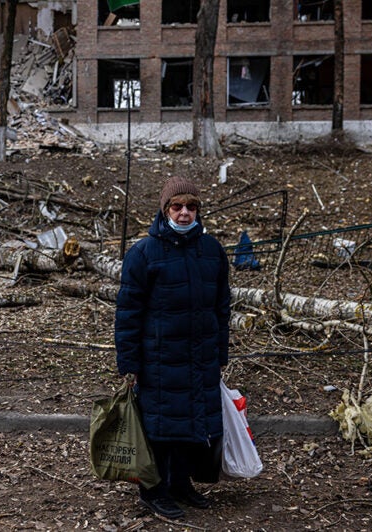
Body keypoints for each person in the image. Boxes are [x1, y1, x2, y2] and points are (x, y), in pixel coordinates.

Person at [114, 176, 231, 520]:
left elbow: (222, 307)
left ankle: (181, 484)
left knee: (192, 426)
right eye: (177, 207)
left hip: (200, 357)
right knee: (159, 430)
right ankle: (153, 491)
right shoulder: (143, 253)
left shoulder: (212, 251)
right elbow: (128, 312)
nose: (184, 214)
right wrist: (129, 363)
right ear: (165, 210)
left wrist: (220, 354)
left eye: (191, 207)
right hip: (159, 360)